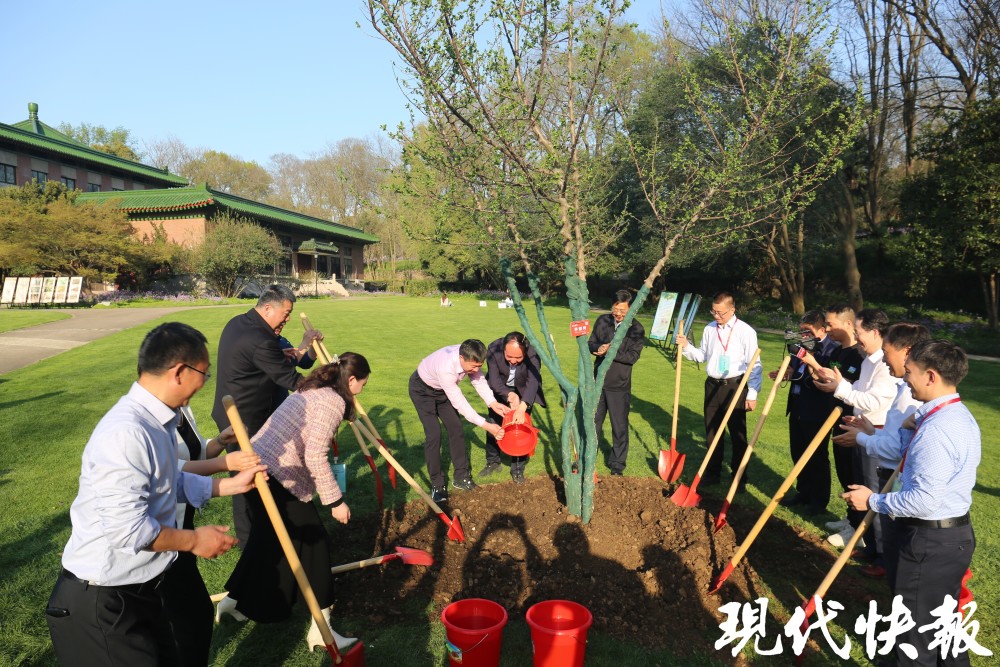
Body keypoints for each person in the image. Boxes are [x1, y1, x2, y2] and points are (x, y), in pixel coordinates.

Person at [46, 322, 265, 667]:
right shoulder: (127, 432)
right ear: (180, 371)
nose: (206, 383)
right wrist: (194, 541)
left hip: (143, 588)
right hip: (103, 601)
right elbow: (128, 531)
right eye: (204, 374)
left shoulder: (159, 421)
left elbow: (169, 480)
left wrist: (227, 484)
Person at [842, 339, 979, 667]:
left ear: (931, 376)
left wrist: (872, 500)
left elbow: (924, 500)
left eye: (911, 373)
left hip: (928, 542)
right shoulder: (952, 416)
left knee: (913, 637)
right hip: (950, 539)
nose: (904, 379)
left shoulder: (938, 431)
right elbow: (919, 466)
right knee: (943, 627)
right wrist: (908, 431)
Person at [221, 353, 370, 653]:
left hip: (258, 467)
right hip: (276, 476)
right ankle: (321, 629)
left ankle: (230, 602)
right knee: (315, 545)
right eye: (364, 383)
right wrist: (335, 501)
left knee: (266, 541)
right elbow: (315, 455)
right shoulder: (332, 401)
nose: (363, 389)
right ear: (352, 380)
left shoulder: (315, 387)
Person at [212, 283, 323, 547]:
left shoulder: (242, 323)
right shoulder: (259, 339)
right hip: (242, 421)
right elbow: (289, 379)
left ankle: (267, 526)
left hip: (239, 413)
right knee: (245, 478)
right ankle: (249, 539)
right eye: (285, 313)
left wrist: (289, 352)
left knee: (258, 473)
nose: (287, 318)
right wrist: (327, 390)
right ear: (267, 307)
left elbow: (265, 361)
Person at [833, 322, 930, 584]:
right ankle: (878, 554)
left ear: (907, 351)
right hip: (887, 463)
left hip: (897, 474)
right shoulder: (903, 387)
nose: (884, 359)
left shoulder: (914, 396)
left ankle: (885, 562)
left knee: (889, 523)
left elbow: (902, 447)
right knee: (883, 519)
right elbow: (895, 433)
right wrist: (869, 431)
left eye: (888, 352)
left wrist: (863, 438)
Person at [162, 409, 258, 666]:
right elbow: (172, 470)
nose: (202, 383)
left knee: (195, 614)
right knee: (186, 619)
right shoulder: (151, 420)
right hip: (164, 537)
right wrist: (226, 464)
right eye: (199, 374)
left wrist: (219, 443)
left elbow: (195, 453)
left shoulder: (181, 410)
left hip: (182, 526)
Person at [815, 309, 899, 571]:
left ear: (875, 332)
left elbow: (874, 400)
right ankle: (871, 546)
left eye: (860, 333)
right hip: (864, 429)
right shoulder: (868, 361)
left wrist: (839, 389)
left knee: (873, 492)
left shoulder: (885, 366)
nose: (857, 338)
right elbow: (861, 394)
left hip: (878, 435)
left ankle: (883, 557)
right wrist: (843, 391)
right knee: (860, 486)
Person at [676, 291, 762, 487]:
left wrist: (752, 394)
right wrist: (687, 346)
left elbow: (755, 365)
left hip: (734, 387)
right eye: (713, 312)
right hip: (712, 385)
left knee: (738, 435)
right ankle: (713, 473)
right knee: (712, 433)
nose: (716, 316)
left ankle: (739, 478)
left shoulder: (745, 331)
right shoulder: (709, 329)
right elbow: (701, 356)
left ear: (732, 310)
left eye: (720, 313)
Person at [409, 340, 507, 502]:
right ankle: (438, 485)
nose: (476, 370)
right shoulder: (446, 368)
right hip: (422, 390)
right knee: (434, 435)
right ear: (461, 357)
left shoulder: (471, 357)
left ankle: (461, 477)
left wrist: (493, 403)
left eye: (479, 366)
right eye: (473, 366)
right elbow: (460, 402)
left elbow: (479, 381)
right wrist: (486, 425)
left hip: (442, 391)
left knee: (456, 428)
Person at [772, 310, 840, 514]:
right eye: (801, 332)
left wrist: (807, 368)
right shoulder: (798, 346)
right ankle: (803, 492)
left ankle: (818, 501)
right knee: (798, 451)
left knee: (817, 456)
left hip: (818, 410)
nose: (803, 336)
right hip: (797, 405)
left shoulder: (831, 350)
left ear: (821, 329)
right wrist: (787, 373)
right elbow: (796, 370)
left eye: (808, 332)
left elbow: (825, 380)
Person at [589, 290, 646, 476]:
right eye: (615, 309)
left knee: (619, 427)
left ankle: (617, 466)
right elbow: (591, 343)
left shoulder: (636, 329)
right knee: (593, 424)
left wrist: (611, 351)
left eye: (623, 310)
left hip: (619, 385)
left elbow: (632, 357)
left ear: (631, 310)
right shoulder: (603, 322)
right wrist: (599, 348)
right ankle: (588, 458)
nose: (618, 313)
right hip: (598, 382)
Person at [479, 332, 546, 484]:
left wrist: (523, 406)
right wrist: (508, 395)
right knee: (493, 424)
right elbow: (494, 380)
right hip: (500, 390)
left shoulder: (533, 353)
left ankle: (517, 469)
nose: (513, 361)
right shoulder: (494, 349)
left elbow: (533, 381)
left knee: (522, 429)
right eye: (509, 357)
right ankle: (493, 462)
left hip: (524, 392)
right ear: (503, 349)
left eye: (518, 358)